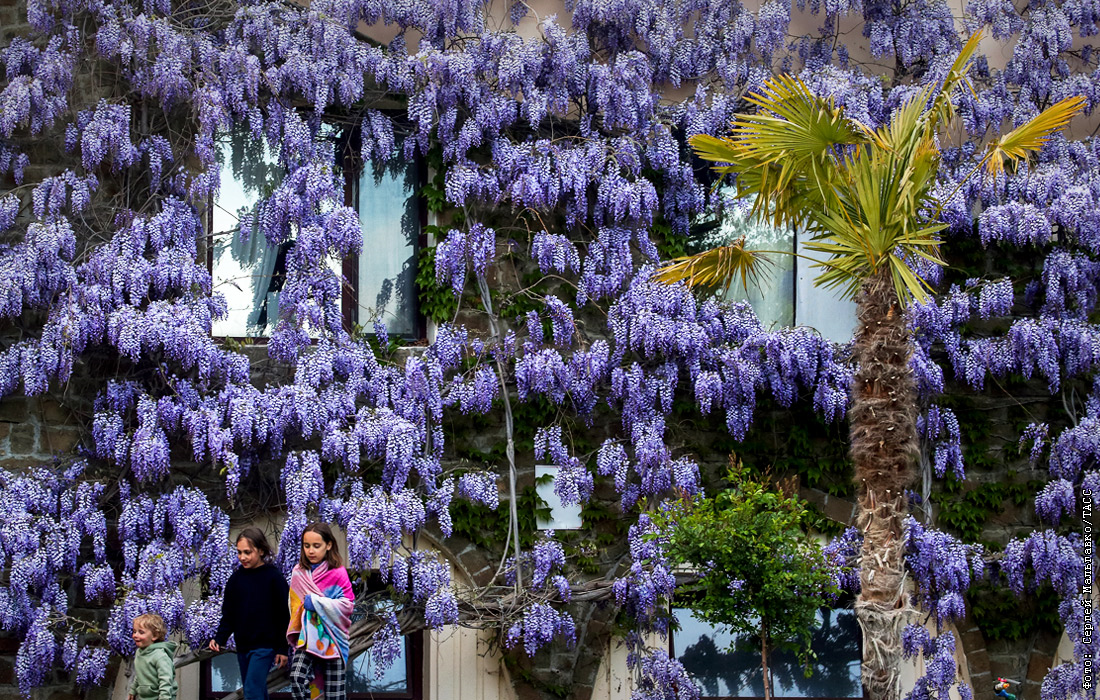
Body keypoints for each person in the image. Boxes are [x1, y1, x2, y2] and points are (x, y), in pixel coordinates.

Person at [208, 527, 291, 700]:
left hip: (265, 646)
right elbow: (229, 613)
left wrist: (283, 648)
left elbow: (284, 615)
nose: (242, 557)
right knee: (255, 689)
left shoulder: (273, 577)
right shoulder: (236, 579)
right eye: (239, 552)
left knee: (252, 689)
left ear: (261, 550)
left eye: (247, 552)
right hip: (244, 644)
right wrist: (220, 638)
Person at [286, 522, 355, 700]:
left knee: (335, 694)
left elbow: (348, 605)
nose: (311, 551)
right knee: (297, 677)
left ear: (328, 545)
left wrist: (316, 602)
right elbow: (294, 605)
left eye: (316, 546)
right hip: (307, 638)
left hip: (333, 638)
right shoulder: (298, 572)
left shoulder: (338, 573)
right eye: (306, 545)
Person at [129, 613, 177, 700]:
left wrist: (164, 698)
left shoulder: (160, 656)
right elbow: (140, 674)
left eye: (141, 632)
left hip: (161, 697)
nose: (135, 635)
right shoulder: (139, 652)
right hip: (145, 697)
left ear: (155, 636)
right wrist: (133, 690)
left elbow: (166, 680)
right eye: (134, 631)